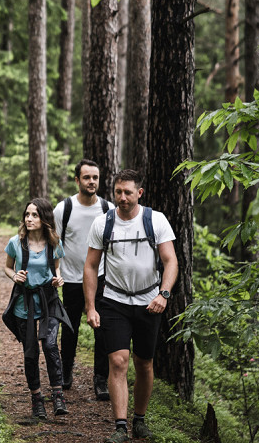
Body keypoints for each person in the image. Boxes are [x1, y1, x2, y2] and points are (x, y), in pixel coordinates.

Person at [83, 170, 179, 442]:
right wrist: (91, 307)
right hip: (114, 301)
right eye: (117, 192)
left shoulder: (155, 220)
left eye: (127, 192)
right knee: (118, 361)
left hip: (149, 302)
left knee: (144, 363)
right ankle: (120, 427)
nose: (122, 198)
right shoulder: (103, 223)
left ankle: (140, 419)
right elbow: (90, 266)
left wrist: (164, 294)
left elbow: (170, 261)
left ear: (140, 193)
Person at [3, 198, 69, 419]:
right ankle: (37, 400)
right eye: (27, 214)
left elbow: (56, 269)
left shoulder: (53, 244)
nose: (29, 219)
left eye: (35, 215)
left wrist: (58, 280)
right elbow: (7, 267)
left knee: (50, 346)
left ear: (44, 219)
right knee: (30, 353)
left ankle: (58, 395)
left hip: (49, 301)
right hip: (25, 304)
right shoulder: (16, 242)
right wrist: (15, 276)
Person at [54, 159, 112, 399]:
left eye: (95, 177)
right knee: (69, 330)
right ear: (77, 180)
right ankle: (66, 371)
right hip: (71, 280)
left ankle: (101, 380)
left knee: (104, 331)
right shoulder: (63, 209)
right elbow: (55, 244)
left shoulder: (108, 209)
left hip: (102, 280)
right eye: (87, 177)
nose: (92, 182)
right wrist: (55, 274)